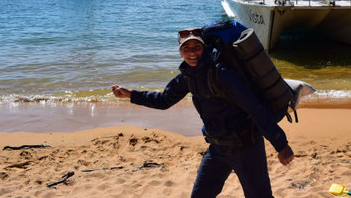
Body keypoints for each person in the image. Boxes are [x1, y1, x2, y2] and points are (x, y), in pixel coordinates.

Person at [112, 28, 294, 197]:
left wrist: (281, 144)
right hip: (216, 150)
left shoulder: (221, 73)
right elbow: (164, 100)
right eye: (186, 48)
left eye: (196, 47)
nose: (192, 53)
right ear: (180, 52)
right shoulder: (187, 76)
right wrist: (130, 95)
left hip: (246, 148)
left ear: (204, 48)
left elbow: (254, 108)